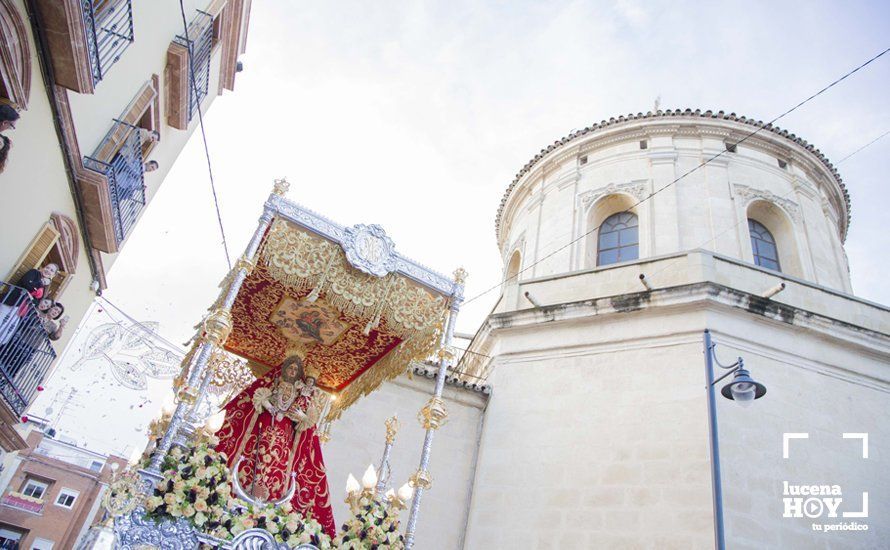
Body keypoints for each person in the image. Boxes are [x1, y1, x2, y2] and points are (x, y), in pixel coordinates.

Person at [215, 354, 336, 536]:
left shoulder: (301, 392)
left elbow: (306, 420)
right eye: (290, 368)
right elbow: (258, 399)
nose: (292, 371)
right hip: (264, 431)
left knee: (277, 472)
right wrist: (269, 406)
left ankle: (273, 510)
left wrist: (301, 416)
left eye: (296, 370)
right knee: (257, 463)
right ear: (284, 368)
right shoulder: (274, 385)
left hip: (285, 439)